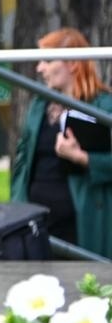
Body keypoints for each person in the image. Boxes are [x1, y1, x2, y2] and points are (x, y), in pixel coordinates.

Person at [10, 27, 112, 252]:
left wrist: (82, 157)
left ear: (73, 63)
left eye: (46, 60)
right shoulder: (38, 107)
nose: (39, 68)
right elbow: (22, 163)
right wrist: (16, 207)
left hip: (81, 222)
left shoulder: (104, 106)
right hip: (35, 221)